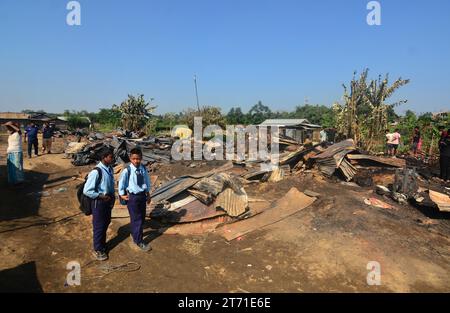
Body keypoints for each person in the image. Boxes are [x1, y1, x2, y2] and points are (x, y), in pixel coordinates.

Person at [83, 148, 116, 261]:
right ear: (104, 157)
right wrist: (101, 196)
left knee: (106, 223)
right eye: (110, 157)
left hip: (108, 201)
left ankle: (102, 244)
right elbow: (87, 190)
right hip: (99, 202)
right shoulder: (96, 172)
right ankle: (98, 249)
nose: (113, 158)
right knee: (99, 226)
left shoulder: (109, 169)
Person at [118, 148, 152, 252]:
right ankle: (139, 241)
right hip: (133, 197)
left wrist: (148, 193)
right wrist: (121, 194)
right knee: (136, 219)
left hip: (142, 196)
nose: (136, 161)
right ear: (130, 158)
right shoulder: (127, 170)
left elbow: (146, 181)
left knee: (141, 217)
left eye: (138, 159)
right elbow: (121, 183)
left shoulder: (143, 168)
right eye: (134, 159)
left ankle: (134, 233)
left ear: (141, 158)